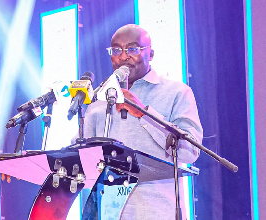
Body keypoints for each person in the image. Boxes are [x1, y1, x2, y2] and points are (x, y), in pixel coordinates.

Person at [82, 24, 203, 220]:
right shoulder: (99, 99)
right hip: (105, 212)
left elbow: (190, 151)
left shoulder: (176, 93)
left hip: (155, 211)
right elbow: (83, 154)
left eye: (132, 49)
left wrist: (143, 113)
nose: (123, 56)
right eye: (116, 50)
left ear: (151, 54)